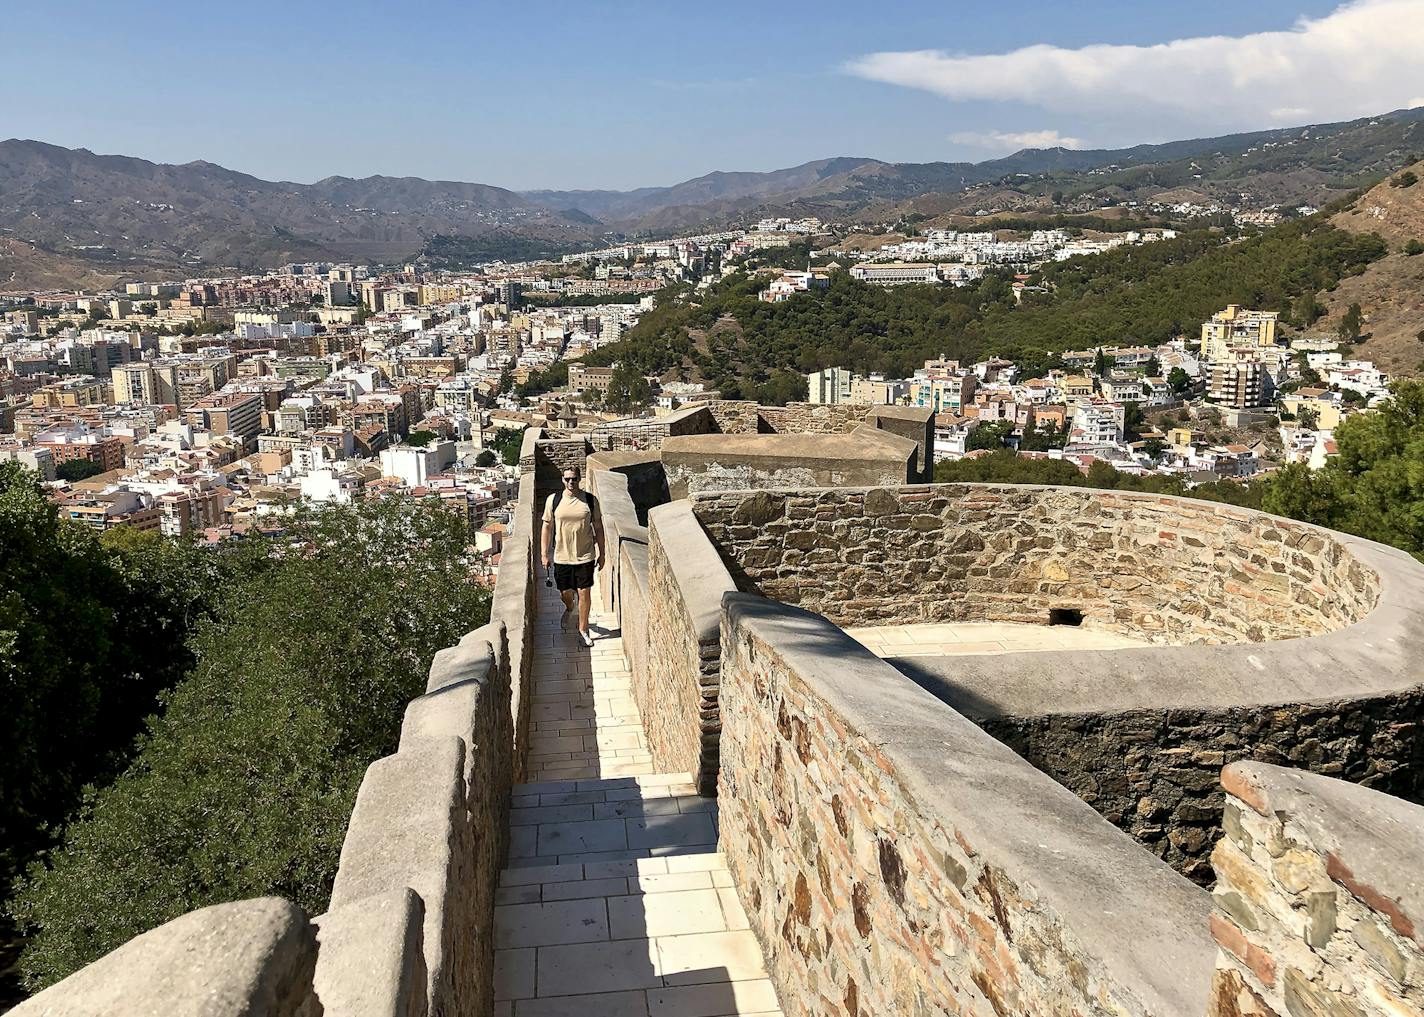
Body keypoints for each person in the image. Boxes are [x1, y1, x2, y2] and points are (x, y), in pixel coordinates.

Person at [541, 466, 604, 646]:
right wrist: (544, 554)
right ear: (563, 480)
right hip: (562, 556)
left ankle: (583, 630)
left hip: (585, 556)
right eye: (567, 479)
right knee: (564, 593)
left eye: (574, 479)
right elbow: (546, 527)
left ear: (579, 479)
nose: (571, 482)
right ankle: (569, 607)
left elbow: (598, 528)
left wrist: (602, 553)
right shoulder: (553, 501)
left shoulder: (590, 501)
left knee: (585, 593)